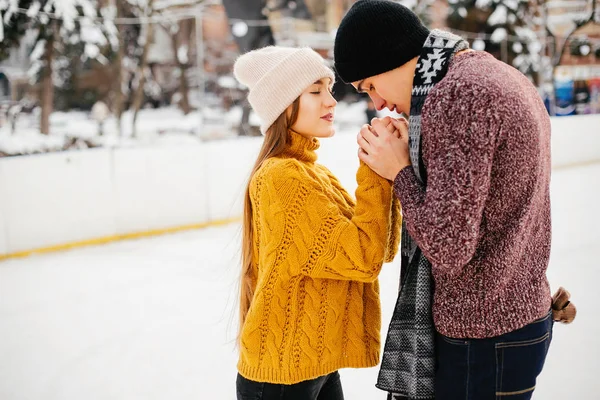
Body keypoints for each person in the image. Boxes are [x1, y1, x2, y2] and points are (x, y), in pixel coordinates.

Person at [333, 1, 575, 399]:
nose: (377, 103)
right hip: (513, 319)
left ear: (391, 56)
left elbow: (447, 247)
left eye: (371, 85)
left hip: (483, 336)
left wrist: (399, 172)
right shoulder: (491, 73)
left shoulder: (458, 95)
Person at [233, 46, 402, 400]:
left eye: (328, 88)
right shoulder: (283, 177)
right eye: (315, 91)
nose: (331, 101)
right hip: (282, 376)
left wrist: (390, 173)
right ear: (282, 104)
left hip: (313, 365)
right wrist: (376, 168)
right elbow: (363, 257)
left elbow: (381, 248)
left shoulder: (312, 174)